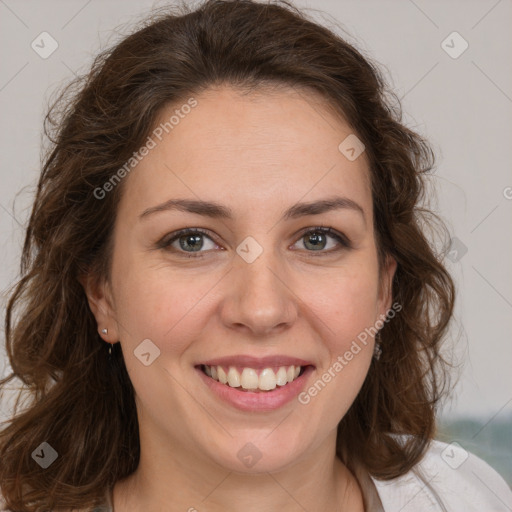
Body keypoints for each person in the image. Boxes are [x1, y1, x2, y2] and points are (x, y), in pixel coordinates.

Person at [1, 1, 511, 511]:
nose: (261, 310)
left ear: (384, 288)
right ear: (101, 294)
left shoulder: (468, 495)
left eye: (317, 239)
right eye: (192, 241)